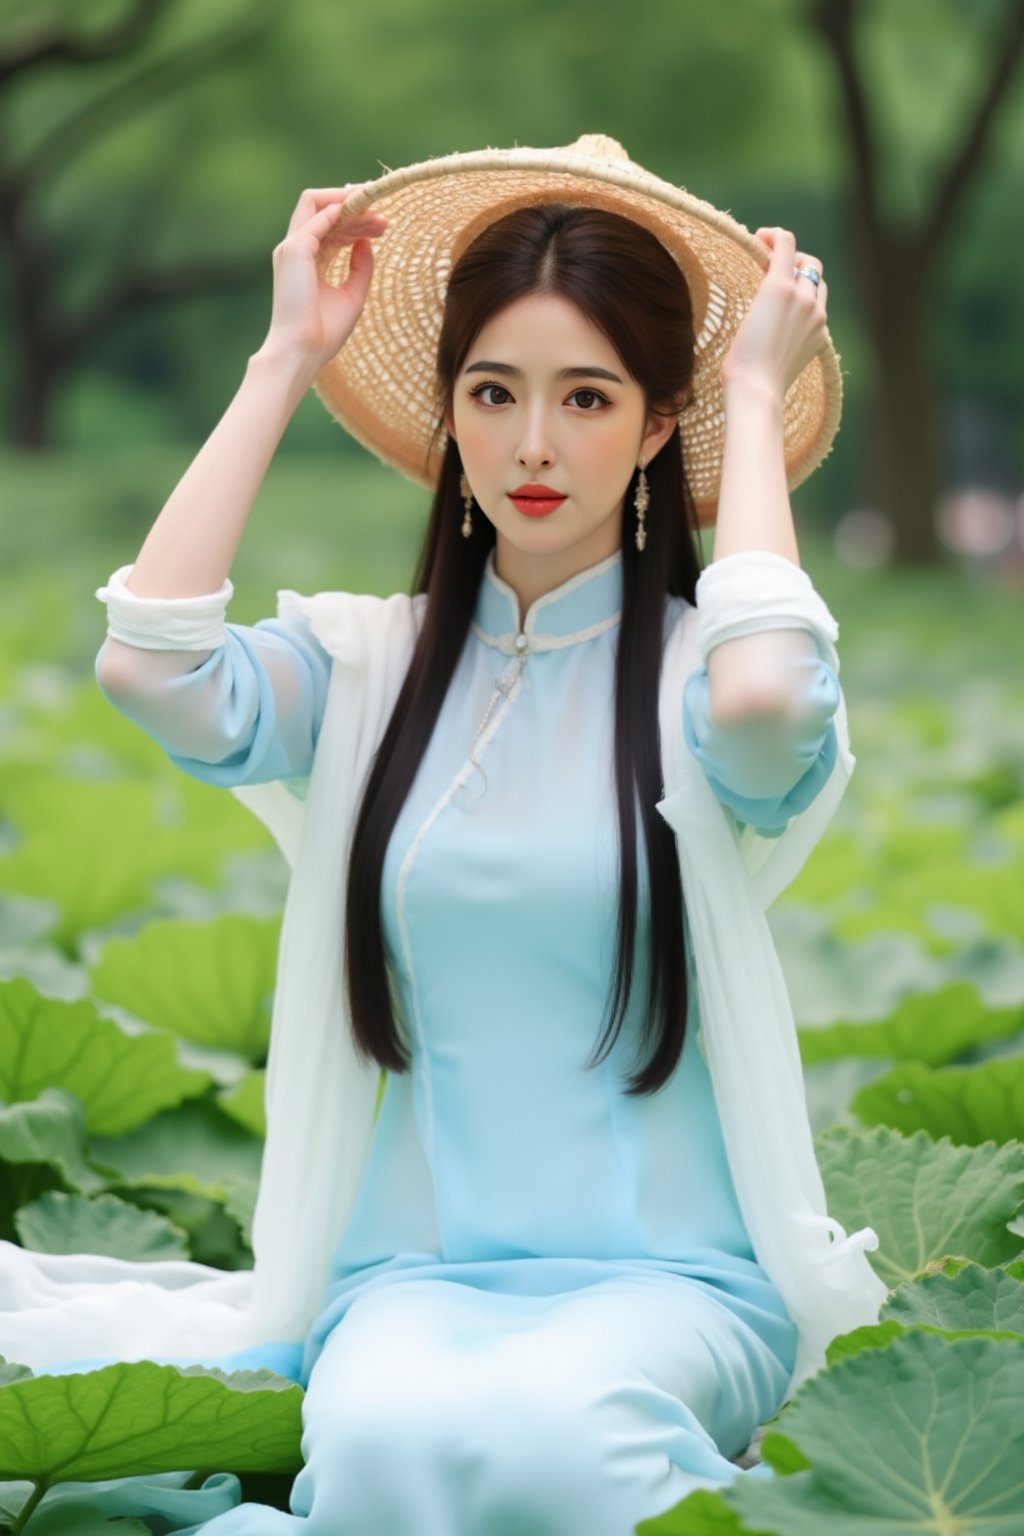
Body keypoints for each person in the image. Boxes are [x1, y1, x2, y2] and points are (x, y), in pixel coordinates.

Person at [3, 136, 887, 1534]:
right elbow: (151, 667)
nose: (533, 445)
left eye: (587, 397)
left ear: (659, 426)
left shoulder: (707, 681)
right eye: (495, 392)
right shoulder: (364, 671)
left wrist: (758, 393)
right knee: (388, 1453)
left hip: (675, 1283)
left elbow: (774, 692)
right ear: (452, 412)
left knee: (555, 1454)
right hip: (412, 1279)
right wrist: (283, 360)